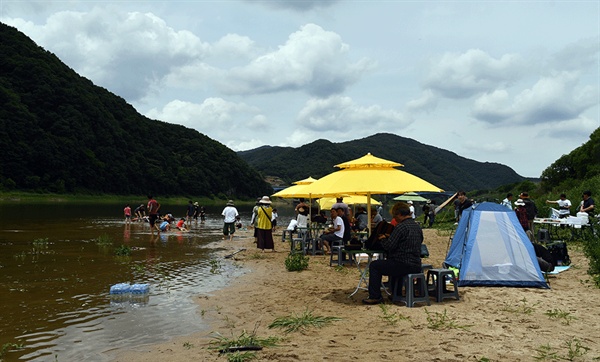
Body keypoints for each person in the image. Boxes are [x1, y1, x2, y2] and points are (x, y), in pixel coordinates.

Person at [362, 202, 423, 305]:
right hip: (416, 264)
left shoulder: (400, 227)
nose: (395, 219)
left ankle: (375, 296)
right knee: (393, 265)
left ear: (399, 214)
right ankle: (396, 293)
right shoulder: (417, 227)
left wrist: (383, 239)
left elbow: (389, 246)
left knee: (375, 266)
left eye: (395, 216)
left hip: (402, 264)